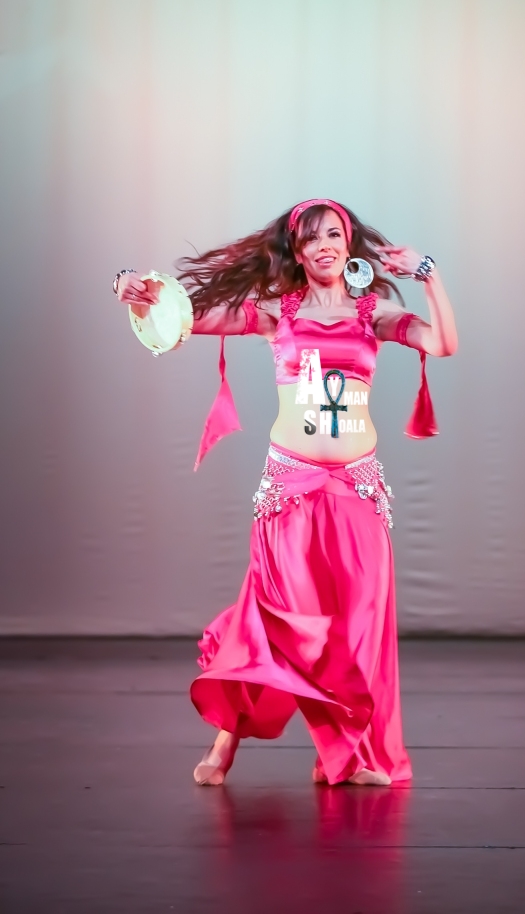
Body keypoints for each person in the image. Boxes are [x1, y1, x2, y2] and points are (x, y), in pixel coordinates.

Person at [113, 199, 458, 787]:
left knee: (359, 627)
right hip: (291, 487)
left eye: (334, 235)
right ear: (295, 251)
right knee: (282, 619)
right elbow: (189, 320)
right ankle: (226, 742)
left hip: (356, 488)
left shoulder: (374, 312)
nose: (324, 246)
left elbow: (443, 343)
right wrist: (137, 291)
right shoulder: (279, 311)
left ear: (348, 244)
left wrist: (428, 274)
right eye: (311, 238)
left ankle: (348, 757)